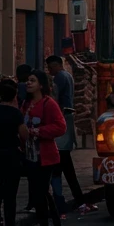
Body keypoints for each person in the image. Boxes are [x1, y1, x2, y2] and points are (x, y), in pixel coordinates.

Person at [44, 54, 95, 215]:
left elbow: (57, 98)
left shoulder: (59, 77)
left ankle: (63, 202)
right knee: (65, 167)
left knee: (60, 166)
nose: (50, 71)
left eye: (51, 67)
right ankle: (77, 201)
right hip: (67, 120)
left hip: (61, 122)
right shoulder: (68, 76)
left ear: (57, 65)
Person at [22, 70, 69, 226]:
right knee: (41, 193)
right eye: (27, 80)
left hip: (45, 155)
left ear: (41, 85)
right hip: (29, 155)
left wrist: (38, 131)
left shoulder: (49, 104)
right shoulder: (26, 104)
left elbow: (60, 127)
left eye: (32, 80)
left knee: (40, 192)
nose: (28, 83)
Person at [0, 78, 27, 226]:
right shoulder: (16, 114)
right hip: (11, 157)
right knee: (10, 197)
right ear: (14, 95)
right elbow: (24, 135)